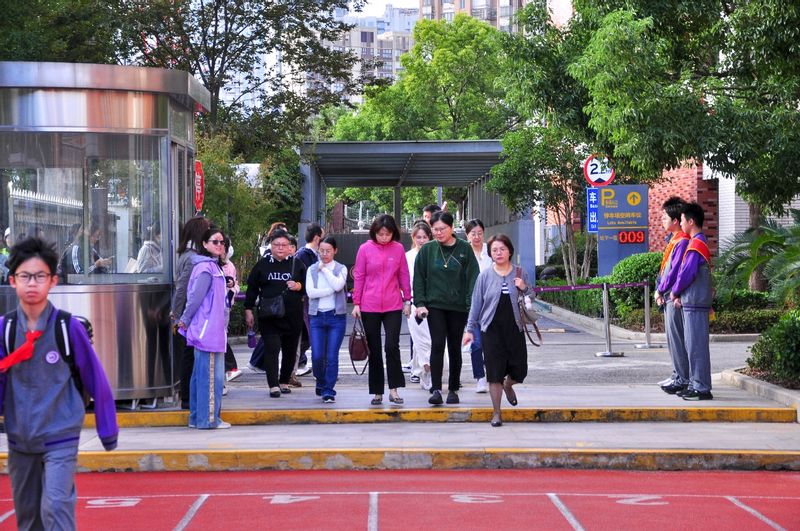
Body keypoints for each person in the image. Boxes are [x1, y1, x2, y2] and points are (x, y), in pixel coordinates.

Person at [0, 237, 118, 528]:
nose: (32, 283)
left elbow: (95, 377)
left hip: (60, 435)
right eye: (25, 276)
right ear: (12, 281)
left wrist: (107, 430)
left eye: (40, 276)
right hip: (20, 438)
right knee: (28, 519)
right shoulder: (6, 329)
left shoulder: (68, 328)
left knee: (55, 506)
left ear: (53, 280)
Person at [414, 210, 479, 406]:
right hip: (435, 305)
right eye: (435, 229)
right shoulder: (427, 250)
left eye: (442, 229)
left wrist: (470, 305)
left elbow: (473, 278)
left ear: (451, 228)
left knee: (454, 347)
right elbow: (419, 278)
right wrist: (420, 303)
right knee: (437, 344)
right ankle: (436, 389)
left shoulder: (464, 248)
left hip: (458, 306)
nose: (439, 233)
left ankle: (453, 389)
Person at [464, 234, 530, 427]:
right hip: (491, 330)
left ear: (509, 251)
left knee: (520, 369)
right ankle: (496, 413)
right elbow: (476, 304)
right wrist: (469, 329)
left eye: (502, 249)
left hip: (514, 327)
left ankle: (508, 385)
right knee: (494, 372)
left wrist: (524, 287)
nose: (498, 253)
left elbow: (531, 296)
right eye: (494, 250)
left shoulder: (519, 272)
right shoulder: (484, 276)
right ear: (490, 253)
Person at [352, 214, 412, 406]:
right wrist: (356, 303)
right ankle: (377, 391)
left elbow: (403, 274)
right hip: (369, 305)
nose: (384, 237)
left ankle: (394, 390)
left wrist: (408, 300)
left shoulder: (398, 248)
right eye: (380, 234)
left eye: (387, 234)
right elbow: (359, 276)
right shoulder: (364, 249)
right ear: (374, 232)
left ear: (393, 233)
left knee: (392, 346)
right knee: (375, 349)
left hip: (393, 304)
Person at [178, 228, 230, 429]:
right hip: (208, 332)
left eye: (222, 242)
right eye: (215, 241)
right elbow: (195, 298)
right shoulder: (206, 268)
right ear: (204, 244)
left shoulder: (211, 266)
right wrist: (185, 319)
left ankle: (196, 418)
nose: (219, 245)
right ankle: (208, 420)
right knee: (211, 377)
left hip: (209, 330)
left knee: (200, 375)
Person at [244, 229, 306, 398]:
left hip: (292, 317)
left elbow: (308, 287)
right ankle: (273, 385)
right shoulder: (262, 265)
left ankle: (284, 381)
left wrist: (298, 286)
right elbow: (252, 289)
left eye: (284, 245)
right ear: (271, 246)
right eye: (276, 244)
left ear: (290, 247)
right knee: (272, 349)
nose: (280, 248)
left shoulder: (297, 264)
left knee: (290, 351)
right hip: (269, 317)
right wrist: (248, 309)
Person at [670, 202, 714, 401]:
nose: (680, 224)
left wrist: (675, 292)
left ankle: (701, 387)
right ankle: (695, 384)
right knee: (692, 345)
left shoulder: (696, 245)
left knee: (696, 347)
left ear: (691, 222)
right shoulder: (696, 243)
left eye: (682, 220)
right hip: (693, 302)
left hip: (695, 303)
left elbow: (687, 273)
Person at [171, 216, 213, 409]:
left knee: (189, 356)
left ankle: (188, 396)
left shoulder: (188, 255)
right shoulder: (192, 258)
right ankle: (187, 397)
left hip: (187, 313)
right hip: (189, 315)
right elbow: (182, 288)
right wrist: (178, 315)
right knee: (189, 356)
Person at [654, 197, 691, 394]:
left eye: (665, 217)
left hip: (672, 297)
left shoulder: (682, 242)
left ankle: (682, 378)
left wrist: (661, 290)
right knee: (672, 339)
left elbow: (674, 271)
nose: (662, 220)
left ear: (676, 221)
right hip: (667, 295)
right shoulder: (674, 241)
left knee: (677, 339)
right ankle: (677, 374)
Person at [306, 235, 348, 403]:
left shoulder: (341, 268)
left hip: (336, 317)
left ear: (335, 251)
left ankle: (329, 390)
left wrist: (324, 269)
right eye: (321, 250)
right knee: (317, 356)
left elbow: (338, 285)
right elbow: (311, 293)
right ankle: (321, 381)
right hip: (316, 317)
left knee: (331, 356)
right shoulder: (311, 269)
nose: (324, 254)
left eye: (328, 251)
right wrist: (329, 291)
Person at [465, 219, 493, 394]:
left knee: (490, 343)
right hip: (472, 306)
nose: (476, 237)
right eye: (473, 233)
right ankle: (480, 377)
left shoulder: (490, 251)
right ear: (467, 235)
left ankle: (493, 374)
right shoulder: (463, 252)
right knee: (476, 343)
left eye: (479, 233)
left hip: (491, 304)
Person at [293, 223, 324, 379]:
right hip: (305, 301)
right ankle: (295, 366)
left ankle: (301, 364)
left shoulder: (315, 254)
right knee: (307, 334)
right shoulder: (302, 255)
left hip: (316, 301)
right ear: (317, 238)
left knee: (311, 335)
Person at [406, 221, 434, 390]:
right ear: (413, 238)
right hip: (413, 302)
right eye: (418, 237)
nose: (422, 240)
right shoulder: (407, 256)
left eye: (424, 237)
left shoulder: (435, 254)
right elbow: (404, 281)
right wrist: (406, 301)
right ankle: (427, 370)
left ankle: (421, 372)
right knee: (420, 340)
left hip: (433, 303)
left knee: (429, 340)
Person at [222, 237, 242, 384]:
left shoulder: (229, 265)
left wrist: (232, 287)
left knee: (222, 337)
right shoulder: (209, 264)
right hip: (213, 309)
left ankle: (230, 368)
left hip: (224, 306)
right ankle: (230, 368)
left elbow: (236, 284)